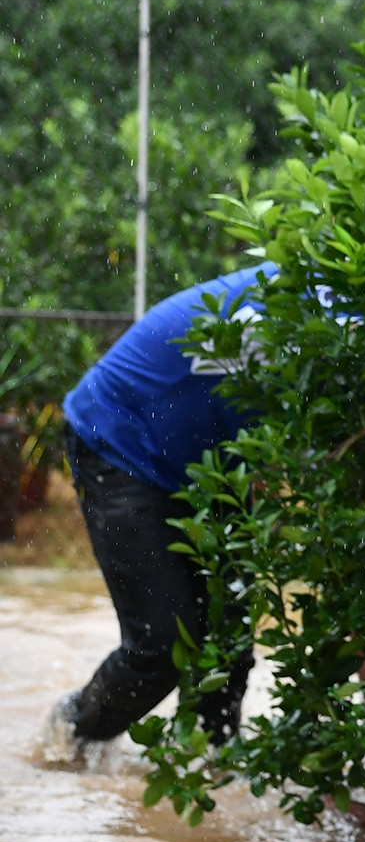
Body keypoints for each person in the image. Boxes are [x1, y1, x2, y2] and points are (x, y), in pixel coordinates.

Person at [42, 264, 276, 760]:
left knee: (229, 642)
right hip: (123, 443)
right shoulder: (329, 305)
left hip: (217, 465)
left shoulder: (357, 314)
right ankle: (68, 742)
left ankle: (207, 769)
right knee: (161, 646)